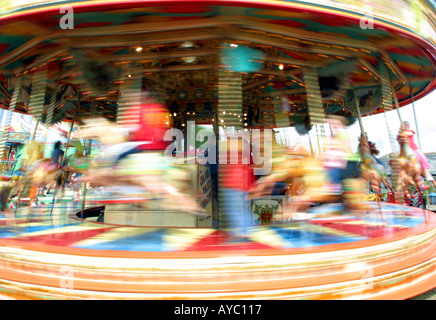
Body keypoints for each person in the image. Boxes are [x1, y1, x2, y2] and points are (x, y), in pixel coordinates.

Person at [402, 121, 436, 188]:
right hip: (407, 152)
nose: (404, 127)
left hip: (414, 150)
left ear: (407, 126)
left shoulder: (410, 131)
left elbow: (409, 134)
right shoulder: (401, 134)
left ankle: (427, 173)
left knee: (422, 157)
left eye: (405, 126)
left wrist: (403, 133)